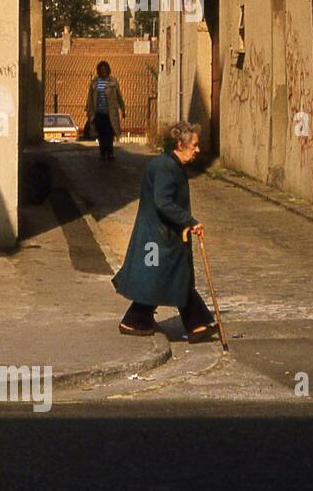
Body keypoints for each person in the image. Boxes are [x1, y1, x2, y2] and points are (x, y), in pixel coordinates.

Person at [111, 121, 219, 343]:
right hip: (159, 236)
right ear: (180, 144)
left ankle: (196, 324)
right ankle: (135, 320)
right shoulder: (165, 167)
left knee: (173, 276)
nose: (198, 150)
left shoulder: (170, 165)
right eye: (194, 145)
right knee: (161, 276)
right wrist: (190, 221)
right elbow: (163, 202)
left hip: (164, 233)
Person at [84, 60, 126, 161]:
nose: (103, 71)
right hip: (99, 113)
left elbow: (119, 96)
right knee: (101, 134)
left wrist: (123, 109)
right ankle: (102, 153)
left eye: (105, 69)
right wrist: (89, 111)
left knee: (110, 134)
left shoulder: (113, 81)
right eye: (101, 70)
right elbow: (90, 97)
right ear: (98, 71)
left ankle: (110, 153)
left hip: (110, 113)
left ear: (108, 70)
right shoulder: (94, 82)